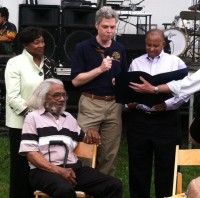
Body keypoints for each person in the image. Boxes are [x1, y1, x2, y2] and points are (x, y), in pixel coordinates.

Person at [19, 78, 123, 198]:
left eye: (64, 95)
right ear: (43, 98)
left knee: (114, 184)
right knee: (64, 190)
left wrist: (90, 133)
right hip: (44, 171)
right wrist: (59, 171)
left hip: (73, 170)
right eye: (56, 95)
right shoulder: (33, 118)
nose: (62, 99)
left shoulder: (68, 117)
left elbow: (84, 138)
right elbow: (31, 154)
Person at [126, 29, 190, 198]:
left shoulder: (176, 63)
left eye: (156, 45)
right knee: (138, 167)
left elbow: (185, 91)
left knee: (168, 167)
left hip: (166, 121)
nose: (151, 48)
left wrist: (167, 104)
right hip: (139, 120)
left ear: (163, 44)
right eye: (148, 45)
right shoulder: (136, 63)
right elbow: (129, 87)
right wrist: (129, 101)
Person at [71, 6, 127, 176]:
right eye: (105, 27)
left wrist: (119, 82)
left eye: (112, 27)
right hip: (90, 103)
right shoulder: (83, 47)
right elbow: (75, 81)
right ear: (97, 26)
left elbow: (125, 77)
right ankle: (83, 189)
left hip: (113, 105)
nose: (109, 31)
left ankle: (105, 189)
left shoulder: (119, 49)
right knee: (84, 150)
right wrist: (99, 70)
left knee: (109, 154)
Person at [5, 26, 57, 198]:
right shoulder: (15, 63)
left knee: (42, 167)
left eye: (42, 41)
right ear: (26, 45)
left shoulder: (48, 63)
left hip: (45, 125)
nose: (42, 45)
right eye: (36, 42)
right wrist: (34, 116)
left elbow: (54, 92)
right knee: (21, 169)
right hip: (21, 125)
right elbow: (13, 98)